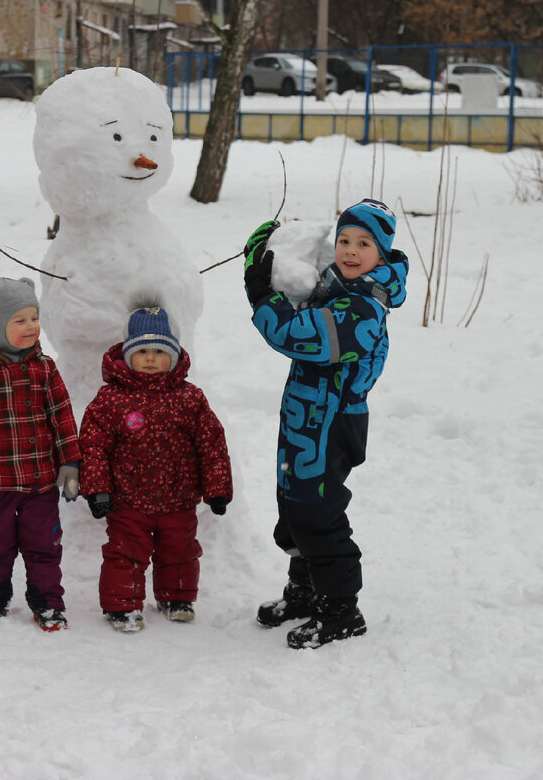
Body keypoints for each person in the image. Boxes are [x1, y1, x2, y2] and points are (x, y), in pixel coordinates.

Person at [242, 198, 409, 648]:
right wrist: (274, 259)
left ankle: (340, 609)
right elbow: (301, 310)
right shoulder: (334, 287)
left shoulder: (365, 310)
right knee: (293, 506)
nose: (351, 251)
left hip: (333, 426)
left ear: (383, 254)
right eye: (344, 241)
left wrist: (260, 295)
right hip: (304, 420)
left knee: (318, 513)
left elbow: (300, 334)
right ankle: (306, 590)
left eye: (364, 244)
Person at [78, 301, 232, 632]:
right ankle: (121, 605)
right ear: (127, 355)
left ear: (174, 356)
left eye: (160, 351)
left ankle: (176, 598)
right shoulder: (111, 399)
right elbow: (93, 446)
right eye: (143, 350)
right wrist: (98, 489)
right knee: (125, 554)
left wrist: (217, 489)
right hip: (128, 499)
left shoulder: (190, 398)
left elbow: (212, 443)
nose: (151, 359)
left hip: (178, 499)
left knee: (180, 551)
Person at [0, 277, 81, 631]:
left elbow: (62, 416)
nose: (32, 327)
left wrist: (70, 462)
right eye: (20, 320)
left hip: (40, 482)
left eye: (34, 318)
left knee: (45, 547)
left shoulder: (44, 367)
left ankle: (48, 601)